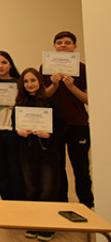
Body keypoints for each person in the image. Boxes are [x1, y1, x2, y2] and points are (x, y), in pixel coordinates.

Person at [42, 31, 94, 208]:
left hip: (78, 124)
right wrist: (54, 85)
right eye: (59, 42)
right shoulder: (45, 67)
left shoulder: (84, 69)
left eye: (67, 42)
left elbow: (88, 99)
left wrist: (71, 86)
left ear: (75, 46)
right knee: (57, 169)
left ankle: (86, 205)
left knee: (81, 169)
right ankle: (62, 205)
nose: (63, 45)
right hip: (54, 126)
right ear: (54, 46)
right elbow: (42, 97)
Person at [15, 68, 66, 242]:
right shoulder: (20, 103)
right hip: (27, 152)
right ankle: (34, 223)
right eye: (26, 81)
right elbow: (15, 127)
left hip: (47, 153)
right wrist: (19, 132)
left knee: (48, 189)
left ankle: (47, 226)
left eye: (33, 80)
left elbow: (62, 128)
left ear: (39, 82)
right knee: (31, 189)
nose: (30, 84)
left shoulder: (51, 103)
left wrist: (49, 135)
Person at [0, 51, 25, 201]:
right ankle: (6, 203)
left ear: (10, 65)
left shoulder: (20, 84)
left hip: (13, 131)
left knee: (16, 170)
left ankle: (19, 203)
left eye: (4, 62)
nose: (0, 66)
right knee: (1, 171)